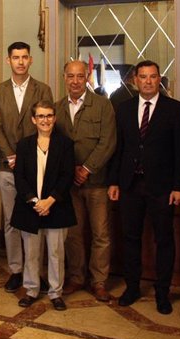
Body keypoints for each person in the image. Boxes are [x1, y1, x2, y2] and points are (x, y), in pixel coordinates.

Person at [107, 60, 180, 315]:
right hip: (130, 185)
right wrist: (114, 182)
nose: (148, 81)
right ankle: (132, 287)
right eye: (143, 77)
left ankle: (162, 293)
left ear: (159, 79)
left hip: (162, 187)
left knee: (164, 239)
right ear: (135, 80)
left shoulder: (175, 109)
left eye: (153, 77)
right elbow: (118, 149)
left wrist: (179, 186)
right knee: (130, 239)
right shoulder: (124, 108)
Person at [0, 41, 53, 293]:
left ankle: (36, 272)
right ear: (8, 61)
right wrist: (11, 154)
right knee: (11, 221)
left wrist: (24, 156)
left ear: (30, 60)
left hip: (36, 165)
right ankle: (16, 269)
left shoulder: (43, 89)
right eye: (15, 57)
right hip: (7, 165)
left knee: (37, 218)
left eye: (25, 57)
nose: (20, 61)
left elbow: (45, 124)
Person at [55, 61, 116, 301]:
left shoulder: (102, 105)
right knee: (73, 234)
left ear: (87, 77)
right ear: (64, 77)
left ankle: (98, 281)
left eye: (80, 76)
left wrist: (88, 168)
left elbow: (108, 142)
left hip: (97, 183)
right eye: (70, 76)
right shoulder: (57, 108)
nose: (75, 81)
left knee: (101, 234)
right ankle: (76, 278)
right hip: (69, 185)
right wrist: (71, 170)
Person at [11, 100, 76, 310]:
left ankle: (55, 293)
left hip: (57, 206)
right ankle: (31, 290)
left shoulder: (65, 144)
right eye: (40, 116)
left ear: (54, 118)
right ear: (33, 119)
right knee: (31, 253)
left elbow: (67, 176)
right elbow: (19, 177)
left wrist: (50, 200)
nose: (45, 120)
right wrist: (35, 201)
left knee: (56, 253)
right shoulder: (24, 144)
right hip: (30, 207)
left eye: (49, 116)